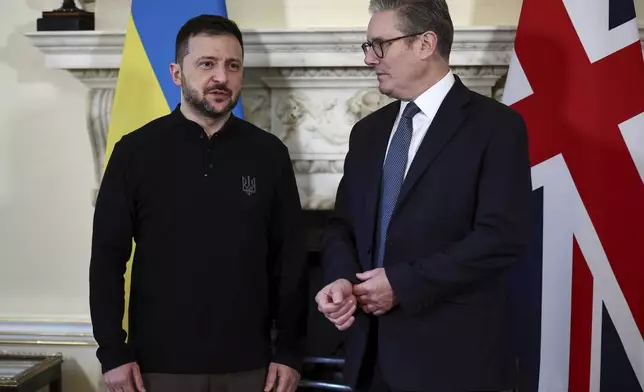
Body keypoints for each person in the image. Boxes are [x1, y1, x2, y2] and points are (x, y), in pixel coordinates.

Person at [315, 0, 532, 391]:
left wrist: (402, 283)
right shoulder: (367, 133)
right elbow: (341, 226)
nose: (370, 59)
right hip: (371, 358)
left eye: (380, 44)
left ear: (425, 44)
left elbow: (501, 237)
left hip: (455, 362)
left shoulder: (496, 127)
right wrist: (340, 279)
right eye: (368, 46)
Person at [89, 14, 307, 392]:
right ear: (176, 73)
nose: (221, 77)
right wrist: (113, 351)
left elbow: (290, 260)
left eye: (232, 65)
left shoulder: (270, 154)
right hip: (156, 367)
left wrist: (289, 351)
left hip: (252, 366)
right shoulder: (134, 153)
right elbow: (108, 258)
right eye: (207, 64)